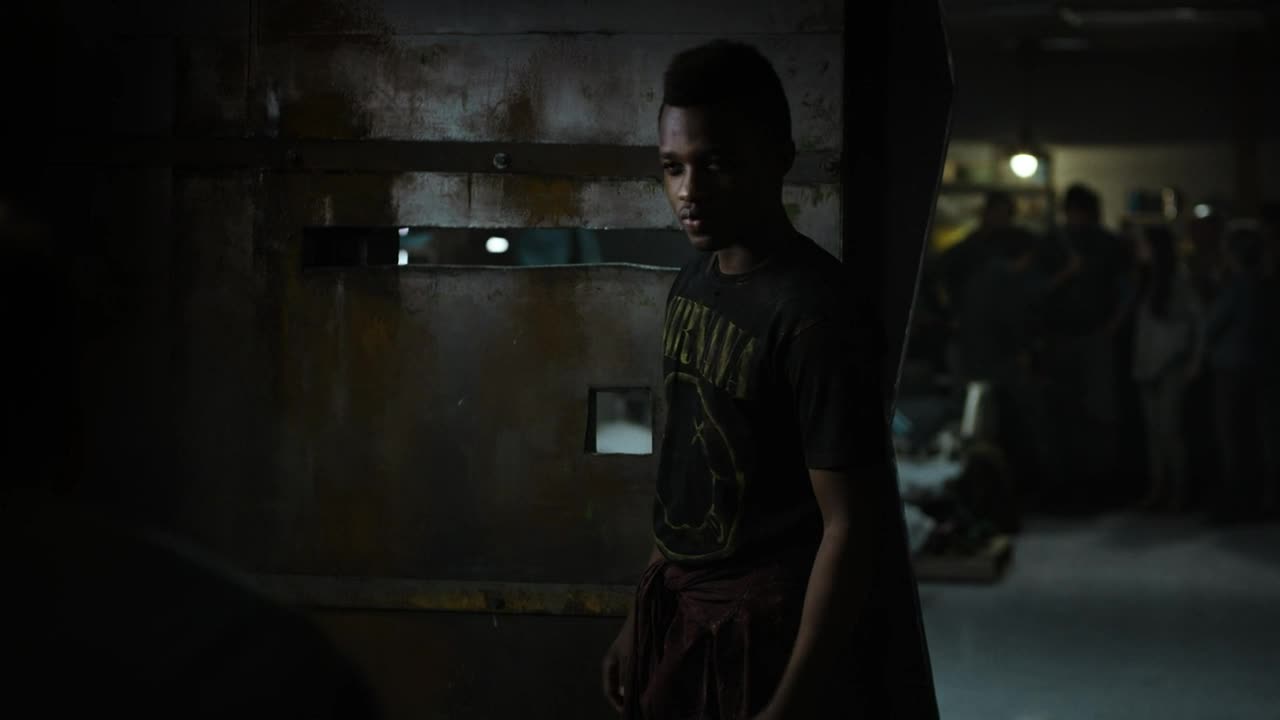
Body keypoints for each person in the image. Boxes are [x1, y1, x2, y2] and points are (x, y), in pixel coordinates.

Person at [600, 40, 936, 719]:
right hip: (686, 609)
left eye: (716, 164)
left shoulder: (815, 313)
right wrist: (640, 619)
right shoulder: (692, 281)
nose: (688, 192)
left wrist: (791, 700)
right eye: (673, 167)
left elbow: (850, 526)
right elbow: (686, 471)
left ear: (779, 157)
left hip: (763, 633)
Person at [953, 227, 1079, 512]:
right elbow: (1017, 317)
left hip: (976, 364)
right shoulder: (1005, 279)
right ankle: (1048, 490)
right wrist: (1024, 351)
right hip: (1000, 365)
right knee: (1036, 424)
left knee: (992, 432)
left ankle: (1003, 492)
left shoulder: (981, 277)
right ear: (1026, 256)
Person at [1038, 184, 1134, 510]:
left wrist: (1114, 325)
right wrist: (1065, 275)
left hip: (1094, 337)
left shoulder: (1107, 244)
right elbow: (1036, 290)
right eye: (1074, 212)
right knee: (1065, 411)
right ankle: (1068, 484)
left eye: (1083, 213)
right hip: (1060, 338)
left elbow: (1126, 287)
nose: (1078, 219)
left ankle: (1100, 483)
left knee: (1100, 411)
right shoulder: (1052, 243)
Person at [1129, 224, 1205, 511]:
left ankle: (1179, 490)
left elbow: (1198, 321)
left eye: (1143, 244)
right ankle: (1159, 487)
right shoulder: (1146, 280)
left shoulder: (1178, 280)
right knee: (1154, 432)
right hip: (1148, 361)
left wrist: (1195, 358)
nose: (1138, 249)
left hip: (1171, 361)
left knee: (1169, 430)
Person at [1204, 223, 1268, 523]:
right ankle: (1253, 499)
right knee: (1250, 434)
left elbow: (1212, 324)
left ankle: (1236, 501)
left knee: (1230, 435)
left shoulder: (1235, 286)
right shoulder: (1263, 284)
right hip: (1256, 364)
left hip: (1230, 366)